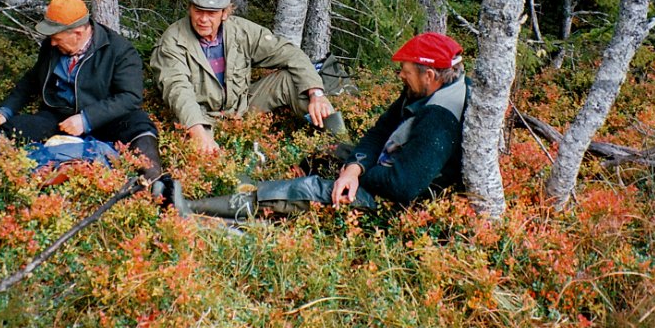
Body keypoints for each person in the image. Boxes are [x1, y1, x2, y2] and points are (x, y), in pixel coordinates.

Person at [172, 32, 470, 219]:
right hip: (389, 168)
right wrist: (354, 168)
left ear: (429, 74)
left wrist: (356, 178)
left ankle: (195, 207)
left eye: (405, 71)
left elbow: (403, 187)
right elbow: (381, 130)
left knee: (310, 190)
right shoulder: (426, 89)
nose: (401, 76)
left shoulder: (440, 117)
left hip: (404, 203)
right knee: (333, 152)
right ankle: (267, 184)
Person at [0, 0, 162, 186]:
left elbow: (130, 97)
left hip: (106, 121)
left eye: (57, 38)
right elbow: (31, 80)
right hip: (58, 117)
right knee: (14, 127)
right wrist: (4, 112)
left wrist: (86, 119)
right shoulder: (52, 46)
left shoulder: (120, 51)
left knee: (140, 125)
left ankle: (153, 184)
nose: (52, 42)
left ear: (78, 33)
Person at [150, 0, 343, 153]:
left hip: (242, 106)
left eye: (211, 13)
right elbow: (178, 90)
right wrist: (198, 133)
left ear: (224, 13)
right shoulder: (173, 41)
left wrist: (316, 93)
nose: (203, 19)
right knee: (205, 154)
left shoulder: (241, 30)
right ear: (190, 9)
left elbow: (289, 53)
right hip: (203, 117)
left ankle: (340, 147)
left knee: (291, 80)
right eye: (198, 11)